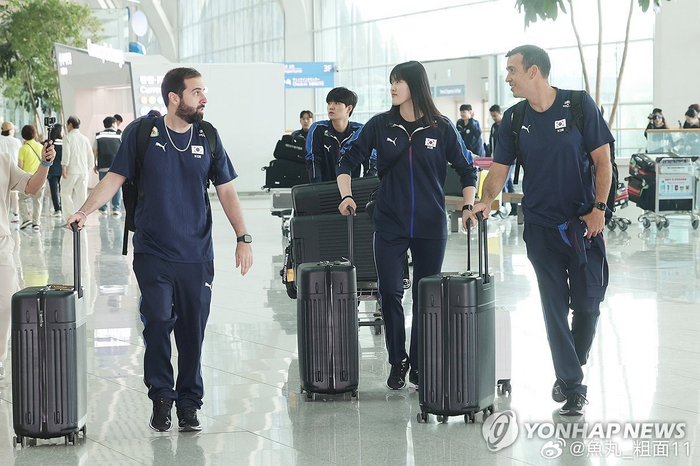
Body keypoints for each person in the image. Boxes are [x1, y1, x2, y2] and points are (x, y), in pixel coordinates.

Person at [67, 67, 253, 433]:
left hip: (197, 254)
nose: (204, 97)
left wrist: (242, 237)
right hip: (153, 251)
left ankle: (189, 403)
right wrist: (84, 211)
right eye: (196, 91)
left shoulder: (208, 135)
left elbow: (226, 189)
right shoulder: (142, 133)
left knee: (192, 333)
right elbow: (114, 178)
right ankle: (162, 396)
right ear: (174, 97)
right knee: (156, 322)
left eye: (204, 91)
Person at [472, 45, 613, 416]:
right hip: (540, 228)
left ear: (533, 71)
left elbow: (603, 161)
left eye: (512, 70)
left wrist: (599, 209)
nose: (507, 78)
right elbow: (498, 171)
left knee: (588, 306)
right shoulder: (514, 119)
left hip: (583, 225)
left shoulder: (578, 105)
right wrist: (486, 199)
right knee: (554, 308)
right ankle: (573, 385)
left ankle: (572, 363)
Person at [335, 61, 478, 390]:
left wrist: (468, 206)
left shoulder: (441, 127)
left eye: (398, 81)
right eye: (391, 82)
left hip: (431, 226)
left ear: (416, 85)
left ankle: (420, 362)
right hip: (389, 223)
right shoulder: (380, 125)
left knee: (426, 296)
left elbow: (467, 169)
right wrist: (346, 196)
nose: (393, 87)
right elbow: (348, 159)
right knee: (389, 292)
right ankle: (398, 360)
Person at [0, 139, 55, 379]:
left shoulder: (3, 161)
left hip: (1, 244)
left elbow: (32, 186)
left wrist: (45, 163)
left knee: (5, 303)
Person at [305, 87, 376, 183]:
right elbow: (313, 161)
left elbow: (370, 161)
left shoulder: (360, 131)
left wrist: (366, 186)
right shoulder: (317, 129)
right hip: (324, 187)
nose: (331, 107)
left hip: (351, 187)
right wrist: (317, 188)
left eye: (337, 103)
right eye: (329, 103)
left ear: (349, 108)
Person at [61, 116, 92, 223]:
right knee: (82, 195)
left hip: (71, 170)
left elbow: (66, 154)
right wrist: (89, 166)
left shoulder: (68, 138)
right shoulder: (85, 139)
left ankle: (69, 217)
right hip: (83, 171)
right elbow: (90, 155)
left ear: (70, 124)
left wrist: (64, 166)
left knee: (65, 193)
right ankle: (82, 218)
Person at [17, 125, 46, 231]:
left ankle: (26, 219)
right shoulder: (40, 146)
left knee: (22, 199)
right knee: (38, 201)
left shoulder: (23, 149)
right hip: (40, 177)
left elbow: (20, 166)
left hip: (26, 179)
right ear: (34, 134)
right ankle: (36, 223)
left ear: (23, 135)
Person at [93, 116, 122, 216]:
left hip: (103, 165)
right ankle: (116, 208)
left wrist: (95, 164)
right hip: (117, 166)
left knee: (103, 186)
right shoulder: (119, 135)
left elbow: (95, 150)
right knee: (117, 187)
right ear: (113, 124)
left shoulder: (99, 135)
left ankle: (103, 208)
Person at [0, 121, 23, 225]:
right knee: (14, 194)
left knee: (3, 194)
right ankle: (16, 214)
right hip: (14, 169)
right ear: (10, 131)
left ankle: (3, 215)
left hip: (2, 169)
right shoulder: (17, 141)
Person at [47, 124, 64, 217]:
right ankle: (63, 207)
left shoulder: (49, 143)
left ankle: (57, 209)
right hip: (62, 170)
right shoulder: (64, 143)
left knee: (54, 191)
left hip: (52, 170)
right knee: (63, 190)